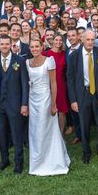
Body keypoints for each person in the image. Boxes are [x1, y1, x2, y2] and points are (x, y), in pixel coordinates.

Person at [26, 39, 70, 175]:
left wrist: (53, 104)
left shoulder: (49, 60)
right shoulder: (27, 62)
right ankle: (37, 161)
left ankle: (52, 160)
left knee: (46, 128)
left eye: (37, 46)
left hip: (46, 98)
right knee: (35, 130)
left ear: (42, 47)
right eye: (32, 47)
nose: (34, 49)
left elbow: (54, 83)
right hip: (32, 99)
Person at [67, 30, 98, 163]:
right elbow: (70, 79)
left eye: (93, 39)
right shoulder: (74, 56)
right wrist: (73, 100)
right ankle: (86, 151)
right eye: (88, 39)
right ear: (82, 40)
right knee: (84, 124)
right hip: (82, 94)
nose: (90, 42)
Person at [0, 35, 30, 174]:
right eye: (3, 44)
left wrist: (24, 104)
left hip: (15, 104)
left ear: (11, 45)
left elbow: (25, 84)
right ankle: (4, 160)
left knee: (16, 134)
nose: (5, 46)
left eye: (7, 44)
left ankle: (19, 163)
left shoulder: (19, 60)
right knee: (1, 134)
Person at [43, 34, 69, 134]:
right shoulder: (45, 54)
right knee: (48, 108)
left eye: (60, 40)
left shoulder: (64, 54)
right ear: (52, 41)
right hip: (48, 84)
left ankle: (60, 133)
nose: (58, 42)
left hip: (61, 84)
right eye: (56, 40)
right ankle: (49, 133)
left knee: (61, 110)